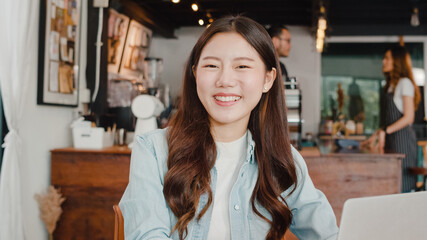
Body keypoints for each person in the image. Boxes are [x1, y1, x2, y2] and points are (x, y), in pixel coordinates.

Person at [119, 16, 338, 240]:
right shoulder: (153, 150)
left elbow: (327, 235)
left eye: (242, 66)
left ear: (268, 79)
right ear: (195, 74)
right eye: (212, 65)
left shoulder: (282, 159)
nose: (225, 80)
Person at [361, 46, 421, 193]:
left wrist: (385, 131)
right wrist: (376, 134)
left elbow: (408, 117)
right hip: (392, 141)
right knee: (391, 185)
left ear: (397, 61)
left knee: (402, 186)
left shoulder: (404, 83)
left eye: (387, 58)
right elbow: (389, 121)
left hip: (403, 143)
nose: (383, 61)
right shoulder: (390, 86)